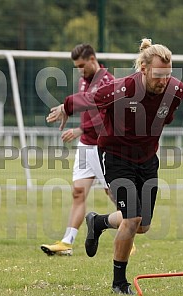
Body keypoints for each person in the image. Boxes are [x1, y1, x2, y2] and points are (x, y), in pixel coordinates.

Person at [46, 38, 183, 294]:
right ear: (143, 69)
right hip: (116, 157)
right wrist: (66, 107)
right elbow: (89, 98)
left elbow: (165, 117)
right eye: (157, 75)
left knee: (143, 225)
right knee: (132, 219)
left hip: (147, 160)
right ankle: (119, 283)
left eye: (167, 75)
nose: (163, 81)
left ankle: (98, 222)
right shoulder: (120, 90)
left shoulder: (176, 91)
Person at [41, 43, 118, 256]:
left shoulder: (108, 82)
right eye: (76, 67)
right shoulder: (83, 81)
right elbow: (84, 105)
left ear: (93, 59)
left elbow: (104, 117)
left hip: (104, 146)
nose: (80, 70)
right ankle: (67, 242)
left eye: (82, 65)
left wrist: (79, 129)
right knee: (78, 193)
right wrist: (69, 113)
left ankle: (126, 232)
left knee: (112, 193)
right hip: (86, 146)